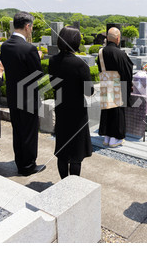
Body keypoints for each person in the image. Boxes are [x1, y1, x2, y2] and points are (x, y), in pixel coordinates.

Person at [0, 12, 46, 176]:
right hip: (27, 97)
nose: (31, 30)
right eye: (31, 27)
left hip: (13, 95)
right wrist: (37, 57)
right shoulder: (29, 48)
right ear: (27, 26)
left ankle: (21, 162)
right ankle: (28, 166)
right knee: (29, 133)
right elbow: (38, 75)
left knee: (18, 131)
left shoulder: (5, 46)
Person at [48, 26, 94, 179]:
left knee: (62, 150)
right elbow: (89, 91)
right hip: (77, 111)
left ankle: (63, 182)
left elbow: (53, 83)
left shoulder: (53, 61)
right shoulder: (80, 65)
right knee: (76, 153)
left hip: (61, 107)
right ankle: (73, 185)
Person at [97, 27, 133, 147]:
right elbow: (127, 72)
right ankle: (115, 139)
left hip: (106, 83)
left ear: (107, 38)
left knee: (107, 110)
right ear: (118, 39)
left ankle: (106, 138)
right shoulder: (121, 54)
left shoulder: (101, 52)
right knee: (117, 112)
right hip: (117, 85)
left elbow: (100, 68)